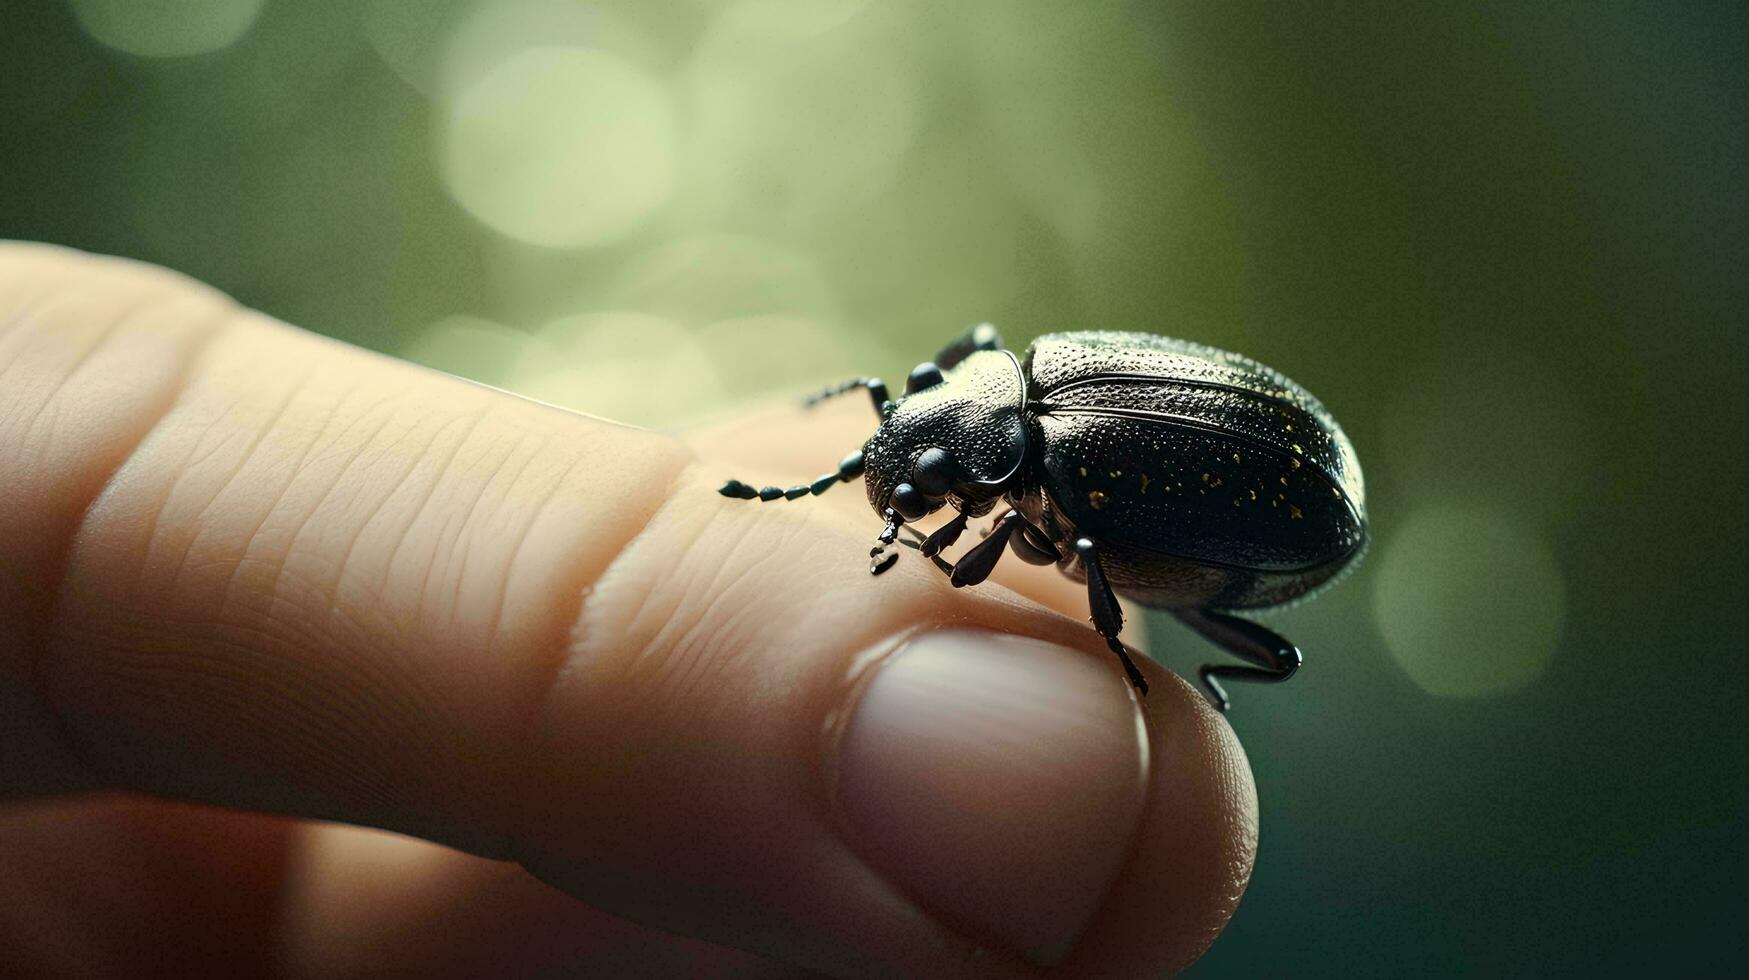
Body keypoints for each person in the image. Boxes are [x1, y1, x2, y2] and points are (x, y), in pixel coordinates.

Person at [0, 243, 1256, 978]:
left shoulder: (1057, 461)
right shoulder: (1009, 407)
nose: (909, 503)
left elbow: (997, 544)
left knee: (1071, 567)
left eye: (919, 485)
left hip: (1253, 520)